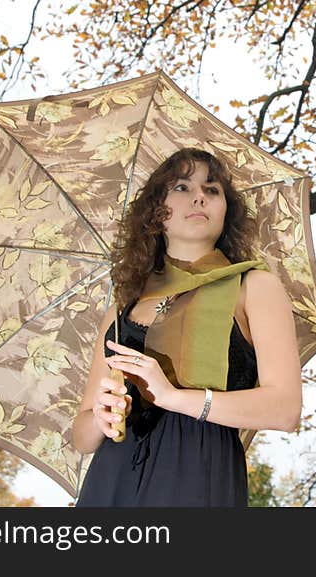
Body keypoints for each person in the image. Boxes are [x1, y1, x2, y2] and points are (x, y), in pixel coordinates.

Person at [72, 147, 301, 507]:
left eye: (212, 190)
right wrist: (101, 415)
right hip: (113, 476)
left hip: (200, 471)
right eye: (181, 187)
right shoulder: (125, 303)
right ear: (155, 212)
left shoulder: (254, 286)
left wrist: (173, 397)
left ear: (227, 210)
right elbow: (82, 437)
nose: (199, 196)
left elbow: (285, 410)